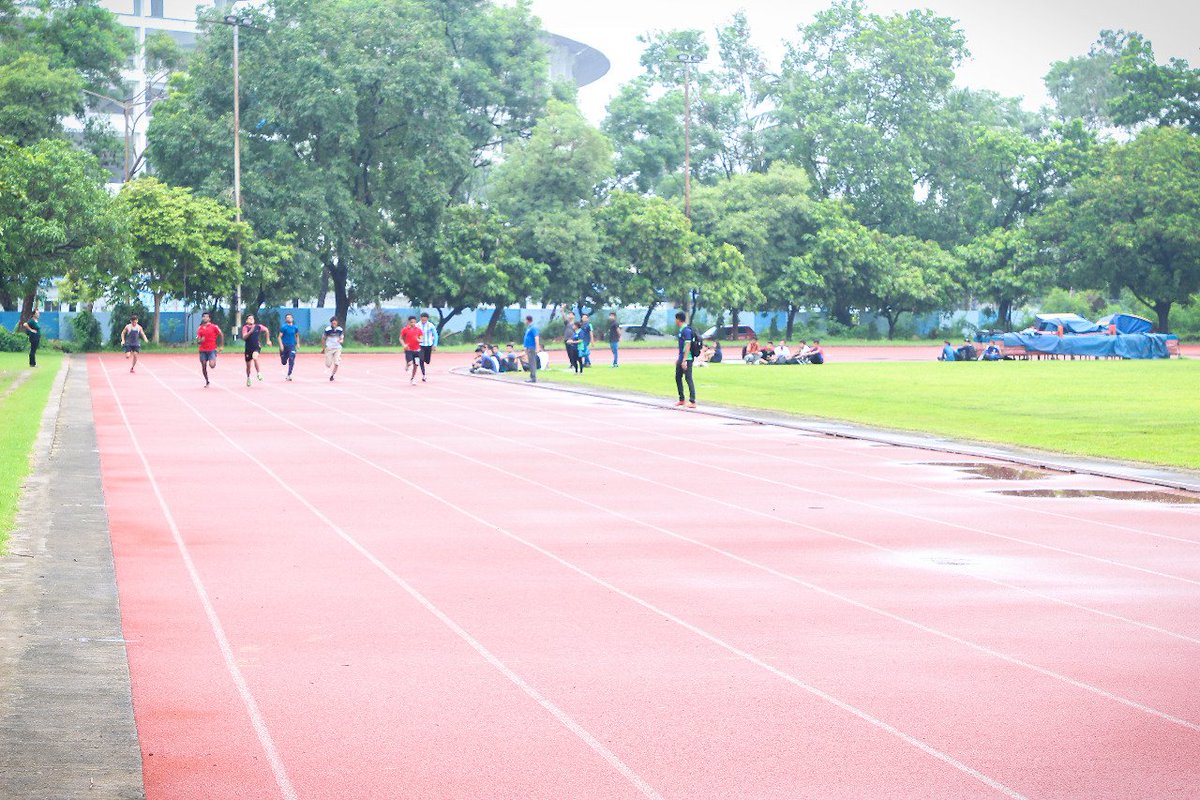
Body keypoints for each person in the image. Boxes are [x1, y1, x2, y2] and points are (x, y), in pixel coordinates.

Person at [241, 314, 272, 386]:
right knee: (248, 366)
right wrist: (250, 332)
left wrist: (268, 340)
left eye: (252, 318)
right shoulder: (245, 328)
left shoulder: (258, 326)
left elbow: (266, 330)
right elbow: (244, 337)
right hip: (248, 348)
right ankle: (248, 378)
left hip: (256, 347)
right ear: (246, 320)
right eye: (249, 318)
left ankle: (259, 373)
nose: (251, 319)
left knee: (255, 357)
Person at [195, 311, 224, 387]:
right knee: (204, 365)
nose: (205, 318)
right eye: (204, 317)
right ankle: (207, 381)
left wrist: (221, 346)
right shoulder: (200, 328)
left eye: (207, 317)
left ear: (209, 318)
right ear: (202, 318)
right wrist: (201, 340)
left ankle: (214, 358)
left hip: (211, 349)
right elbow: (198, 341)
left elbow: (221, 335)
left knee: (212, 365)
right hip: (202, 350)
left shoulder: (214, 327)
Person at [674, 311, 696, 408]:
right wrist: (679, 358)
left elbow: (688, 345)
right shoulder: (681, 330)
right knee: (678, 377)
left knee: (688, 378)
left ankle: (692, 401)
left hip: (687, 358)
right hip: (681, 357)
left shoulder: (686, 330)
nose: (675, 321)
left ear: (678, 320)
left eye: (676, 319)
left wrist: (684, 360)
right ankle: (681, 399)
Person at [400, 316, 423, 384]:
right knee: (410, 363)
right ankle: (407, 365)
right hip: (409, 350)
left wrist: (418, 340)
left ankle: (413, 378)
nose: (413, 323)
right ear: (409, 322)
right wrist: (404, 345)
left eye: (414, 322)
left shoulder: (419, 330)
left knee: (416, 365)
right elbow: (401, 338)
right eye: (411, 322)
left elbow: (421, 339)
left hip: (417, 350)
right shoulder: (405, 329)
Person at [278, 313, 301, 381]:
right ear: (286, 319)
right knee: (284, 362)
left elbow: (297, 335)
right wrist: (281, 345)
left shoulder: (295, 327)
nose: (289, 318)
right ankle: (282, 357)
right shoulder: (284, 327)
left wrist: (298, 343)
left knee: (291, 358)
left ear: (292, 319)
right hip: (284, 346)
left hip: (292, 346)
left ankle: (289, 374)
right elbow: (279, 337)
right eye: (287, 317)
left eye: (290, 317)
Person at [417, 311, 438, 382]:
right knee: (421, 360)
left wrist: (435, 345)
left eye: (425, 320)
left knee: (427, 361)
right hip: (420, 345)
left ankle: (425, 360)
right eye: (422, 320)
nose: (424, 321)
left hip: (429, 345)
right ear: (420, 318)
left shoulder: (431, 325)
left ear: (427, 319)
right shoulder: (417, 325)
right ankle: (424, 375)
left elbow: (435, 335)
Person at [322, 316, 344, 381]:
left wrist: (341, 341)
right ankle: (329, 360)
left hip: (337, 348)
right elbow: (323, 338)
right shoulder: (327, 330)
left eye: (335, 322)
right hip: (329, 348)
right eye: (332, 322)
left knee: (337, 363)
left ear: (337, 322)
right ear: (331, 323)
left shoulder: (340, 329)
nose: (334, 323)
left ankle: (332, 375)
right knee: (328, 364)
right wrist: (323, 348)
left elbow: (342, 338)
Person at [522, 315, 540, 383]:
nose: (524, 321)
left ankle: (533, 377)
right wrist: (525, 347)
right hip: (528, 347)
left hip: (532, 347)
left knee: (532, 362)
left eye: (525, 320)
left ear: (528, 320)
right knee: (530, 362)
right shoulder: (529, 328)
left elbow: (536, 337)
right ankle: (532, 376)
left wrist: (537, 347)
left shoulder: (533, 328)